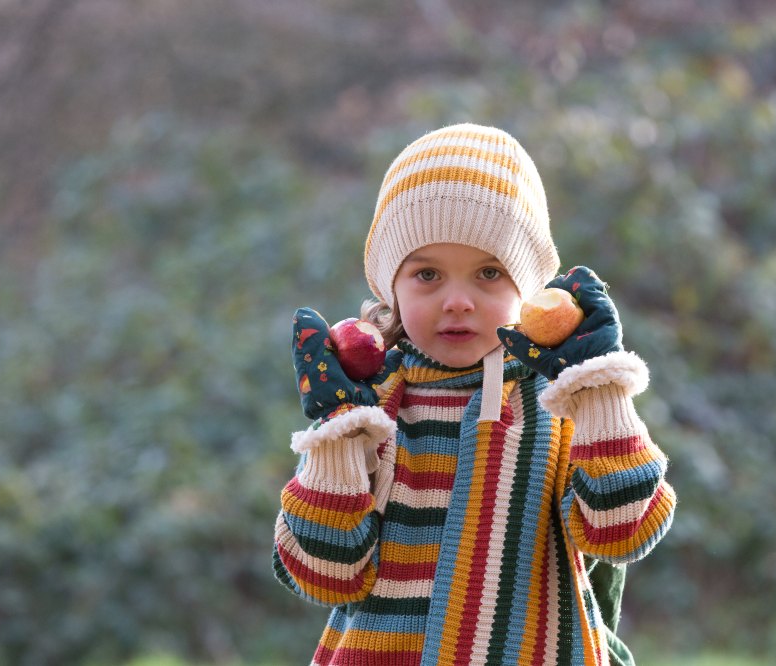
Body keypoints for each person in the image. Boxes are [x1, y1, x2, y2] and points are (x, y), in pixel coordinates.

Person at [273, 123, 676, 665]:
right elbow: (322, 572)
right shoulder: (370, 408)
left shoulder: (561, 401)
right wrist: (336, 433)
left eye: (489, 272)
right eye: (427, 275)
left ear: (528, 288)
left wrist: (600, 390)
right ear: (390, 287)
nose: (457, 300)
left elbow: (624, 532)